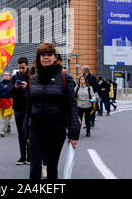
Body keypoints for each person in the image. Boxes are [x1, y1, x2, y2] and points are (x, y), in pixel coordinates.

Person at [25, 43, 79, 180]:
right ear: (39, 58)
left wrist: (73, 133)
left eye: (49, 55)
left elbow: (72, 106)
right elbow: (29, 108)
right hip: (35, 128)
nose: (46, 58)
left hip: (56, 129)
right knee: (34, 168)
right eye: (43, 55)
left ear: (55, 57)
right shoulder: (33, 78)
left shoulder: (64, 77)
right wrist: (26, 132)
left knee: (51, 168)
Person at [9, 57, 31, 165]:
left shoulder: (32, 76)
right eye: (19, 68)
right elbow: (10, 92)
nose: (21, 70)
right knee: (20, 134)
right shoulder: (14, 77)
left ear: (27, 65)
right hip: (17, 108)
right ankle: (23, 157)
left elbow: (36, 90)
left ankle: (30, 157)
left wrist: (28, 87)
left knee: (26, 132)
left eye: (23, 67)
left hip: (29, 108)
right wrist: (15, 87)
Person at [0, 71, 14, 137]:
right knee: (4, 116)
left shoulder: (12, 84)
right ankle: (8, 127)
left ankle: (3, 131)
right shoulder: (0, 84)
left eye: (7, 75)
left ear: (10, 76)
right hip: (1, 102)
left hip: (9, 102)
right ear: (3, 76)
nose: (6, 76)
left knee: (6, 115)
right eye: (5, 75)